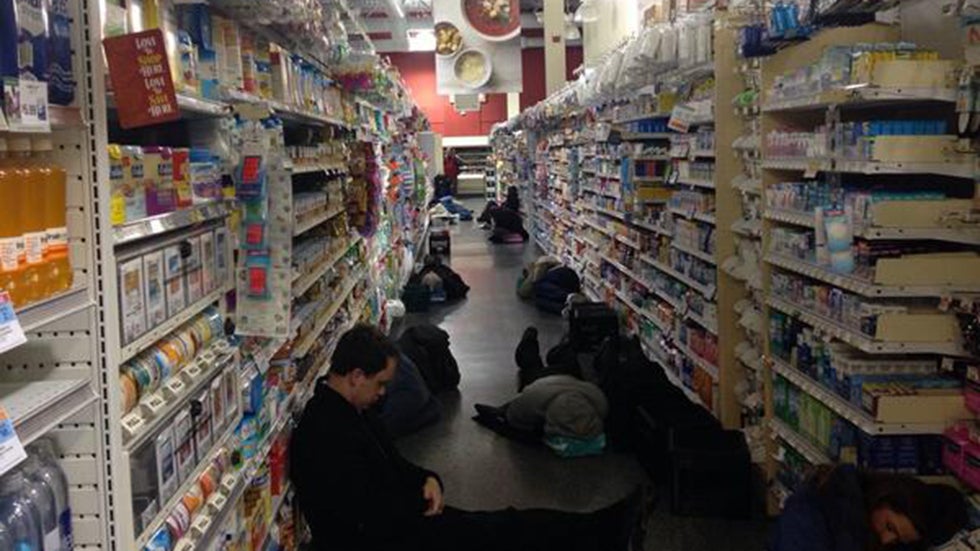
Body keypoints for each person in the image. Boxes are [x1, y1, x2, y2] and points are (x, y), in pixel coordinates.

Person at [290, 324, 649, 551]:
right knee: (500, 531)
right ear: (356, 375)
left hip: (402, 521)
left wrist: (427, 478)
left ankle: (604, 528)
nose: (383, 393)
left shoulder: (356, 410)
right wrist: (419, 506)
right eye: (380, 384)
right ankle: (605, 530)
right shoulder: (323, 435)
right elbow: (360, 517)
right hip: (386, 537)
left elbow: (393, 465)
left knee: (502, 527)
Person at [769, 464, 968, 551]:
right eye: (890, 527)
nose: (887, 539)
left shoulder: (860, 523)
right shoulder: (809, 515)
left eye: (898, 540)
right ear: (884, 498)